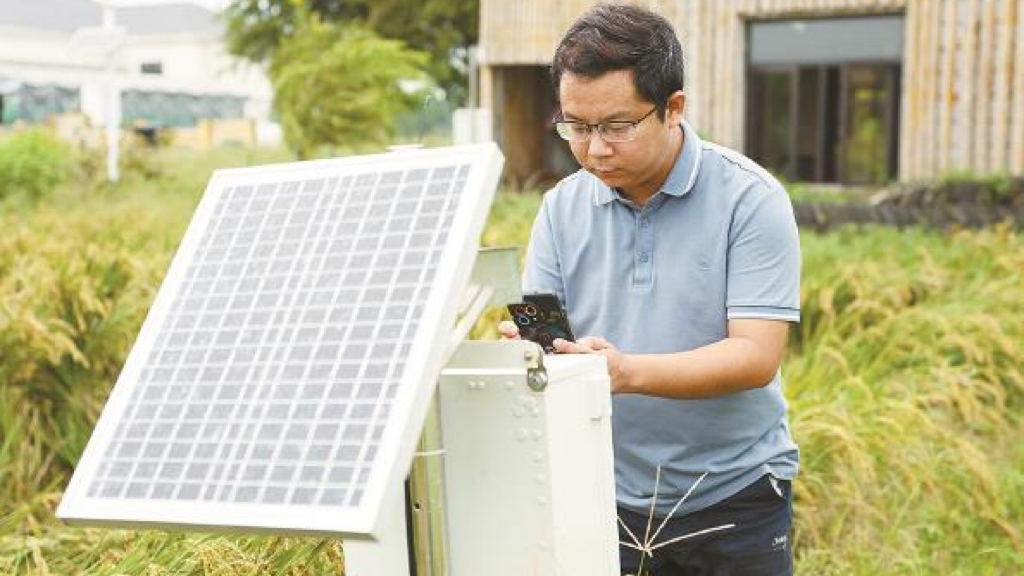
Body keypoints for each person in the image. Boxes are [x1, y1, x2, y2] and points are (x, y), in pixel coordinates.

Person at [498, 3, 802, 575]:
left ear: (673, 108)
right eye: (577, 127)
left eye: (616, 126)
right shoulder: (560, 209)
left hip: (736, 495)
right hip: (604, 490)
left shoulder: (751, 199)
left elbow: (756, 356)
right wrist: (533, 345)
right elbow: (544, 336)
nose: (594, 149)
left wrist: (624, 371)